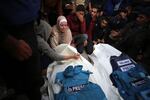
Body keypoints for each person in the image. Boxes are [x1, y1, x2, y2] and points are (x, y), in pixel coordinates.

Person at [0, 0, 43, 100]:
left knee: (34, 82)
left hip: (30, 23)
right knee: (20, 86)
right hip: (11, 32)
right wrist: (5, 39)